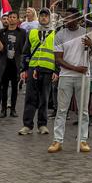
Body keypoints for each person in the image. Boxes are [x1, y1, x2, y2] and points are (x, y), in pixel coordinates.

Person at [49, 8, 92, 154]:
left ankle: (82, 140)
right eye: (64, 17)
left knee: (84, 111)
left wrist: (91, 45)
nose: (65, 20)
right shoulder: (60, 34)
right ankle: (57, 140)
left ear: (78, 18)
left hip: (83, 77)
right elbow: (58, 59)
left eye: (69, 17)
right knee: (61, 110)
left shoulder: (87, 33)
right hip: (66, 76)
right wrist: (75, 68)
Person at [19, 8, 56, 136]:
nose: (44, 18)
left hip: (47, 68)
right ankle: (27, 125)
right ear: (38, 18)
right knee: (30, 97)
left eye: (46, 16)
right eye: (42, 16)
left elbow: (58, 54)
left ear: (50, 18)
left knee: (44, 98)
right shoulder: (32, 33)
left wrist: (56, 70)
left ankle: (42, 124)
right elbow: (26, 52)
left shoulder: (55, 33)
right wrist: (24, 69)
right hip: (33, 68)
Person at [0, 11, 25, 118]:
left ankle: (13, 109)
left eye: (14, 17)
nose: (11, 19)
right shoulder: (2, 32)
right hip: (4, 63)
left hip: (16, 63)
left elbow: (24, 48)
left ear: (17, 19)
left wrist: (23, 63)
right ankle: (3, 109)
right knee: (4, 87)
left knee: (14, 88)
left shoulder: (22, 32)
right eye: (10, 17)